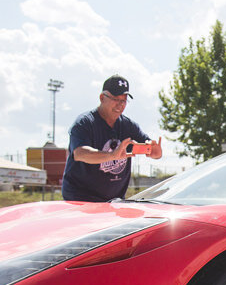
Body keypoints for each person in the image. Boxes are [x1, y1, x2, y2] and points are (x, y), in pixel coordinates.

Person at [61, 74, 162, 202]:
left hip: (113, 202)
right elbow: (80, 153)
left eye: (124, 101)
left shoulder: (128, 126)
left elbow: (152, 149)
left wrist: (155, 152)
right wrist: (112, 156)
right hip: (81, 201)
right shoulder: (85, 122)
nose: (120, 105)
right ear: (102, 97)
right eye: (115, 99)